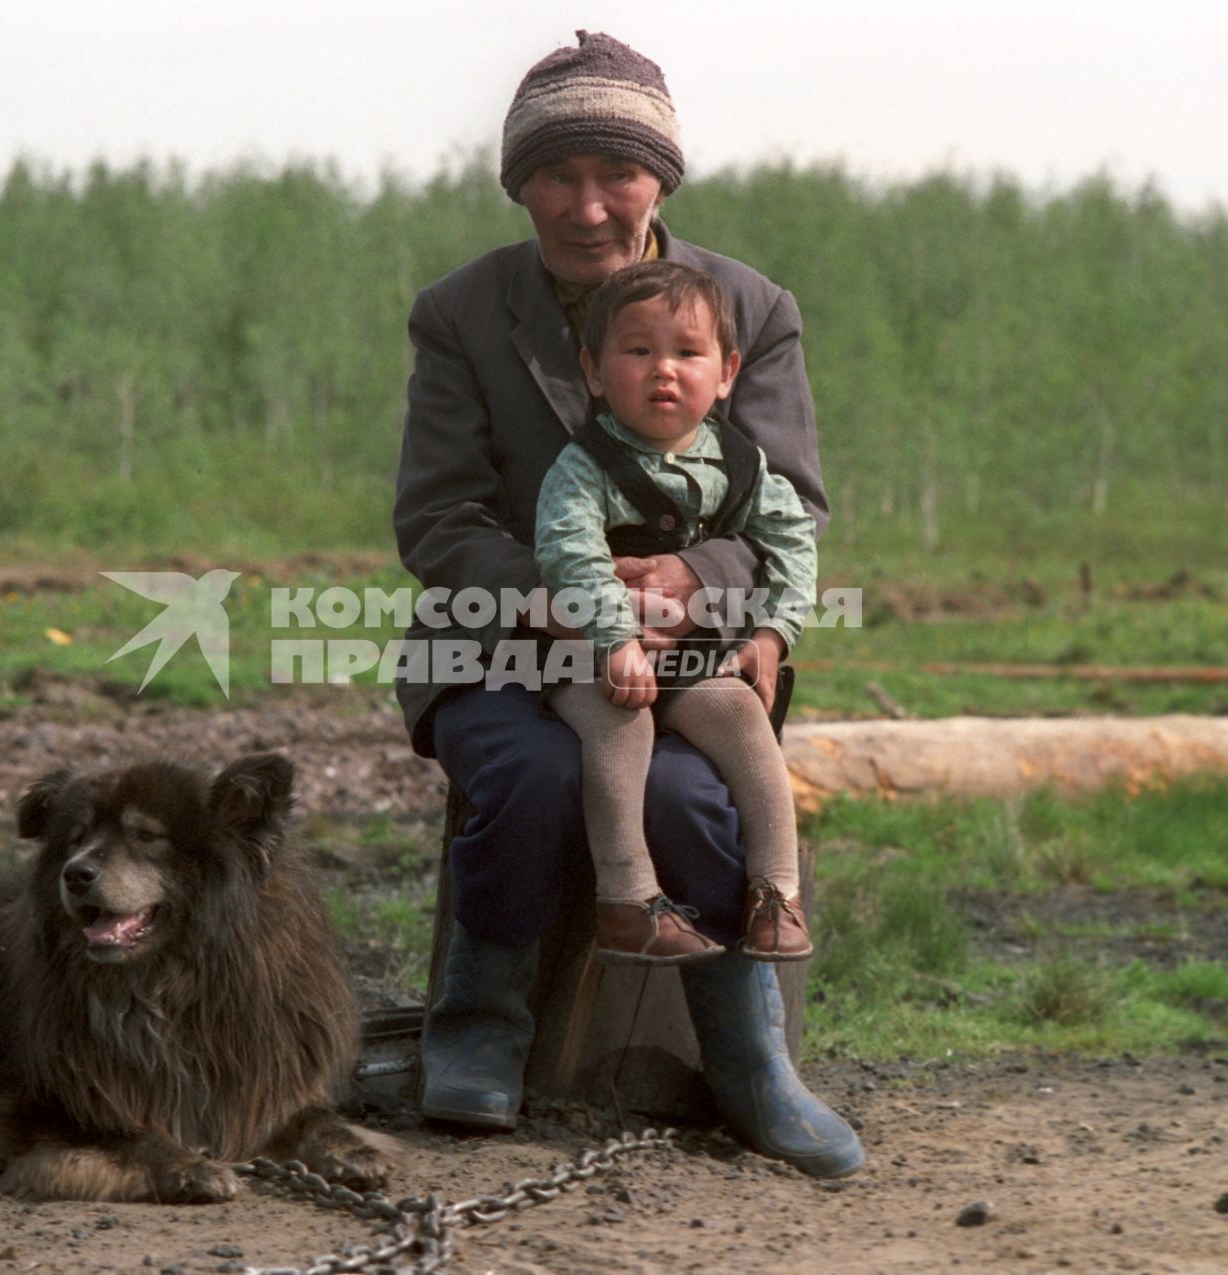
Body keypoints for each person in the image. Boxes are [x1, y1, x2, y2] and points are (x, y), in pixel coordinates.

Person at [392, 30, 864, 1179]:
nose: (588, 205)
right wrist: (560, 596)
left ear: (661, 181)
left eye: (617, 174)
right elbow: (439, 515)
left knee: (699, 799)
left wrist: (696, 577)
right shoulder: (462, 313)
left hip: (687, 653)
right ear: (520, 185)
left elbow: (790, 499)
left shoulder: (750, 306)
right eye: (557, 175)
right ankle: (479, 1026)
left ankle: (749, 1062)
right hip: (503, 642)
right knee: (533, 777)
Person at [536, 260, 814, 967]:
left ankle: (777, 894)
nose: (664, 370)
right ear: (595, 372)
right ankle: (628, 899)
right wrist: (614, 639)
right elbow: (571, 554)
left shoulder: (742, 464)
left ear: (726, 373)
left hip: (693, 648)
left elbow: (791, 543)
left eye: (687, 353)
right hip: (590, 651)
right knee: (619, 723)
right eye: (638, 352)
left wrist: (772, 634)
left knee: (744, 717)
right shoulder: (582, 466)